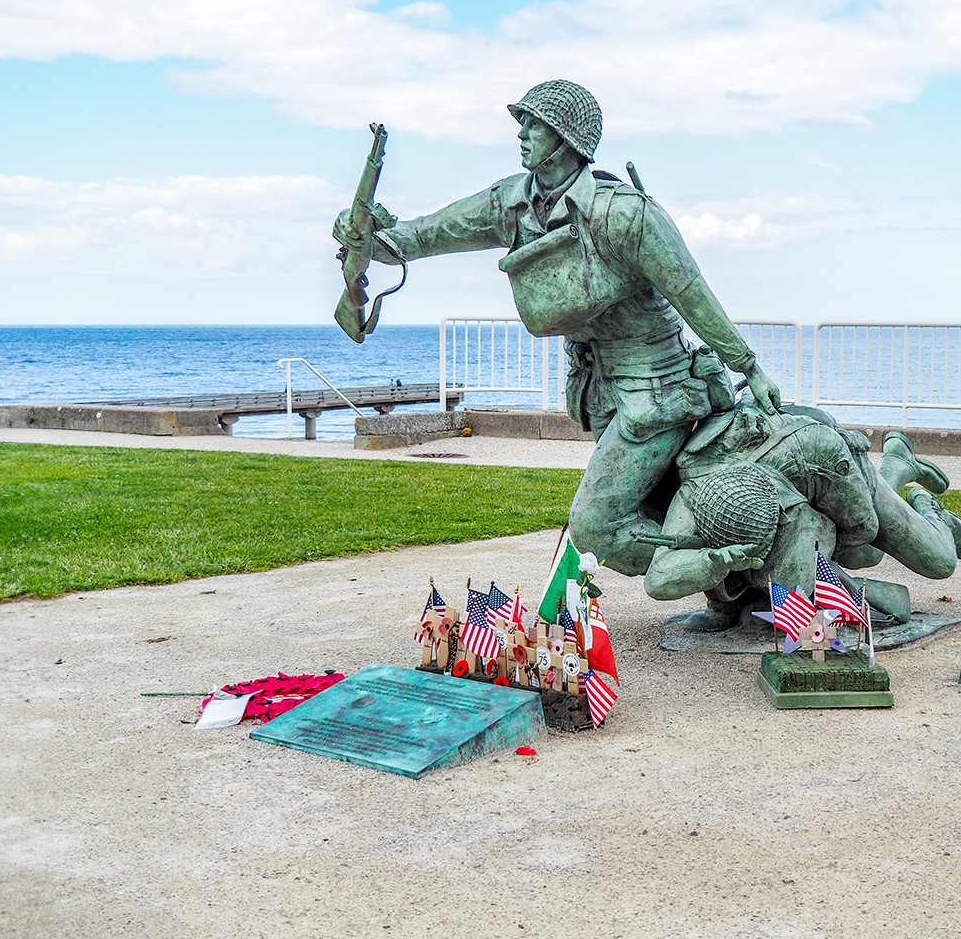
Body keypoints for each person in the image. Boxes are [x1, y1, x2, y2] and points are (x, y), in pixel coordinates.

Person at [335, 80, 782, 576]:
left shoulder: (625, 214)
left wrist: (750, 368)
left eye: (535, 124)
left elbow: (692, 293)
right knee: (656, 503)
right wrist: (368, 237)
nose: (522, 134)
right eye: (522, 123)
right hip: (597, 391)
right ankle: (736, 589)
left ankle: (744, 568)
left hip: (658, 388)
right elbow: (418, 238)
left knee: (596, 528)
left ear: (567, 138)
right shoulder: (511, 202)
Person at [641, 400, 961, 631]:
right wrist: (713, 560)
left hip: (841, 474)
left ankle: (919, 495)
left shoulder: (809, 449)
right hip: (794, 497)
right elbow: (658, 578)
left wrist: (834, 573)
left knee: (933, 560)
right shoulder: (694, 493)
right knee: (791, 573)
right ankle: (900, 466)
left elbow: (862, 527)